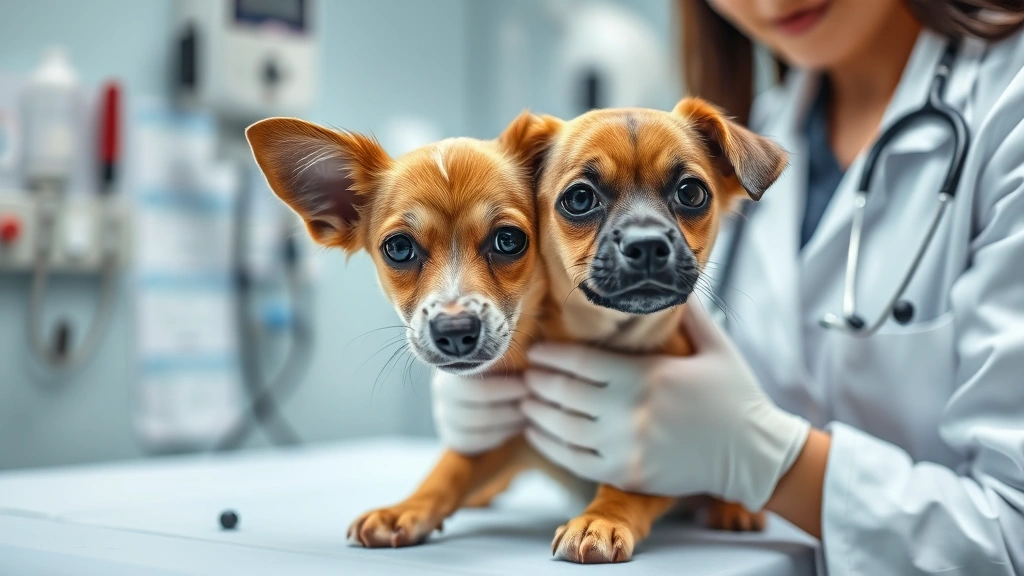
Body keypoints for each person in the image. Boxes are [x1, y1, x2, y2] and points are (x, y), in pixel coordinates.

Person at [431, 0, 1024, 573]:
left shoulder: (1007, 106)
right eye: (583, 201)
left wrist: (765, 459)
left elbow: (1011, 537)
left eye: (687, 196)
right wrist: (491, 350)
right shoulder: (759, 126)